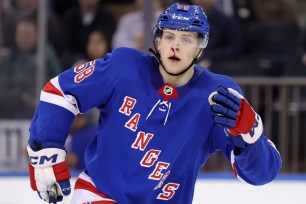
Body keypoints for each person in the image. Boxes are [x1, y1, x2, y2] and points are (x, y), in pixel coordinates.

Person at [27, 2, 282, 204]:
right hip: (99, 194)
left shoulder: (218, 95)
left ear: (200, 48)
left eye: (186, 39)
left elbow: (261, 176)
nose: (175, 46)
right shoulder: (123, 67)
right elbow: (60, 91)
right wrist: (45, 149)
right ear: (157, 41)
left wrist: (250, 137)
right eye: (169, 36)